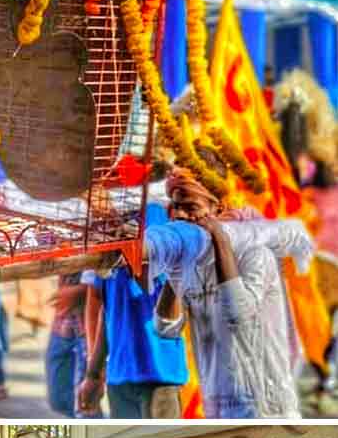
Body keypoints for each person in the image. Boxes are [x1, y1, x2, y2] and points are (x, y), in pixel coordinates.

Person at [150, 154, 312, 418]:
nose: (180, 216)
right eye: (175, 207)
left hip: (266, 410)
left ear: (219, 210)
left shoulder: (256, 254)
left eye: (190, 207)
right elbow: (165, 329)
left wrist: (221, 242)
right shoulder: (191, 263)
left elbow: (239, 317)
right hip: (218, 408)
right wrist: (175, 271)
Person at [78, 262, 187, 419]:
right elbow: (108, 312)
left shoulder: (167, 248)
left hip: (160, 378)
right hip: (119, 380)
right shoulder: (108, 260)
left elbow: (172, 316)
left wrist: (133, 260)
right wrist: (93, 374)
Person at [45, 274, 88, 418]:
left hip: (89, 328)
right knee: (59, 400)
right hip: (63, 324)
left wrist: (81, 290)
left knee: (85, 405)